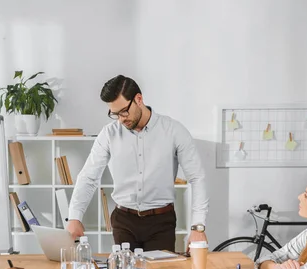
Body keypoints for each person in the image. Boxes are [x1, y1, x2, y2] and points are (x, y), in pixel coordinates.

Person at [66, 75, 209, 252]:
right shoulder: (109, 134)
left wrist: (198, 226)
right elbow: (88, 177)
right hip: (123, 221)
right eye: (115, 114)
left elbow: (197, 178)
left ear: (138, 99)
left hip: (161, 222)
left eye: (124, 111)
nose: (120, 119)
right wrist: (74, 217)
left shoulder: (173, 130)